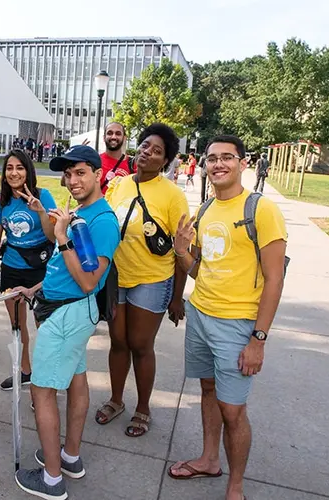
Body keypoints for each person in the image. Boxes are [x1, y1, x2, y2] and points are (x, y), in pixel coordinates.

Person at [168, 135, 287, 500]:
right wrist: (182, 252)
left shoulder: (261, 210)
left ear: (243, 163)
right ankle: (208, 459)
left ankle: (235, 488)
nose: (218, 164)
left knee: (233, 410)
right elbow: (199, 271)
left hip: (238, 325)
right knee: (207, 389)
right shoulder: (204, 211)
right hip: (201, 314)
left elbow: (275, 278)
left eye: (227, 158)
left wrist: (258, 339)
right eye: (212, 158)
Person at [14, 145, 120, 500]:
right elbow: (66, 270)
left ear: (97, 174)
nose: (72, 180)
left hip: (68, 314)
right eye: (68, 174)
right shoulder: (82, 212)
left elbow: (90, 280)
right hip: (65, 307)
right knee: (76, 381)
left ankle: (52, 480)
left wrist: (61, 239)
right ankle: (70, 457)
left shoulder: (101, 221)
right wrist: (36, 288)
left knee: (43, 390)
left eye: (80, 173)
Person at [97, 123, 189, 437]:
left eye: (157, 151)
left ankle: (143, 407)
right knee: (118, 342)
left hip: (152, 280)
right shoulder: (120, 185)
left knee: (140, 344)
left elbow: (181, 250)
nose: (147, 152)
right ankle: (116, 399)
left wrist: (177, 298)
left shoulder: (173, 196)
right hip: (116, 277)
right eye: (146, 145)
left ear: (165, 162)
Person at [0, 149, 56, 390]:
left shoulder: (43, 196)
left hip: (40, 269)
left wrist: (41, 212)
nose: (14, 173)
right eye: (10, 168)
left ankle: (45, 380)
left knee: (44, 326)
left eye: (20, 168)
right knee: (17, 325)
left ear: (29, 171)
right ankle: (25, 371)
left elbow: (52, 236)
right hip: (11, 268)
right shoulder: (2, 202)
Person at [99, 122, 135, 195]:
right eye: (110, 133)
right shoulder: (95, 161)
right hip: (100, 206)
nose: (113, 137)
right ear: (104, 137)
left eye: (118, 134)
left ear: (124, 138)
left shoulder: (133, 164)